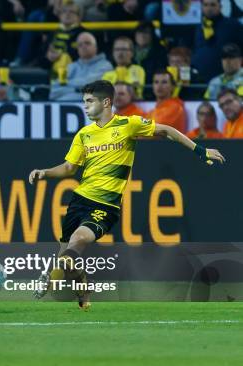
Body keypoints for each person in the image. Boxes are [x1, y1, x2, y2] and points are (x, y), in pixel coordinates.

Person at [29, 80, 225, 309]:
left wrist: (201, 151)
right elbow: (69, 168)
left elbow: (166, 130)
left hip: (106, 204)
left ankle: (48, 280)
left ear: (106, 102)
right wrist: (44, 173)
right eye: (84, 102)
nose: (85, 106)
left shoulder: (128, 125)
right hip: (79, 201)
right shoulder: (84, 134)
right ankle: (82, 283)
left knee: (77, 241)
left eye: (89, 101)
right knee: (68, 257)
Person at [50, 32, 113, 101]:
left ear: (95, 47)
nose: (83, 46)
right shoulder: (71, 66)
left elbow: (89, 84)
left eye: (87, 43)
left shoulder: (106, 66)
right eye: (80, 44)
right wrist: (76, 89)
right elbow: (54, 90)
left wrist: (67, 85)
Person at [148, 69, 187, 134]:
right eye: (156, 82)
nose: (159, 86)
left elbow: (156, 131)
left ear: (173, 87)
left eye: (164, 82)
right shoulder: (151, 111)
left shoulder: (175, 107)